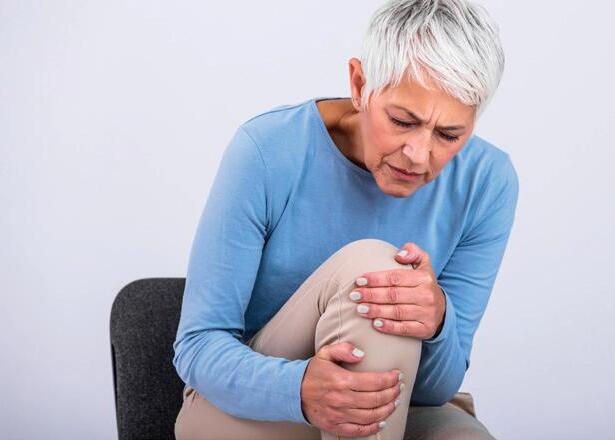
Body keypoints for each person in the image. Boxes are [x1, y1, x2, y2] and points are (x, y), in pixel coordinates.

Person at [172, 0, 518, 438]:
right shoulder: (268, 149)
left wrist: (437, 319)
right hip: (248, 403)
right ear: (359, 84)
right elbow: (197, 347)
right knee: (377, 267)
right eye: (402, 121)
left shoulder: (487, 182)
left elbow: (435, 389)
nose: (418, 154)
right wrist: (300, 388)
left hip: (394, 403)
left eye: (449, 134)